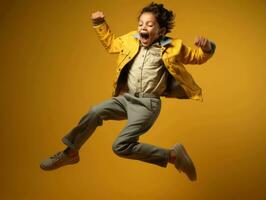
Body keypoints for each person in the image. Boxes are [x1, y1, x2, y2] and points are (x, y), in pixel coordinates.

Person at [40, 2, 216, 182]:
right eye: (140, 23)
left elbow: (197, 57)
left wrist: (207, 47)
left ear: (161, 31)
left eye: (149, 24)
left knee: (120, 146)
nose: (143, 27)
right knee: (94, 112)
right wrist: (99, 23)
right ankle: (70, 153)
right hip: (126, 98)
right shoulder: (130, 40)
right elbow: (110, 44)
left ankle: (172, 156)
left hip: (147, 105)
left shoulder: (173, 47)